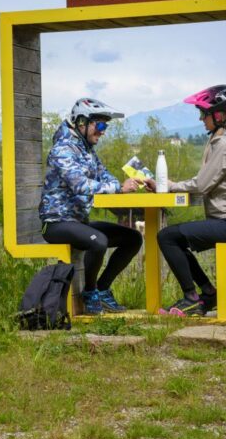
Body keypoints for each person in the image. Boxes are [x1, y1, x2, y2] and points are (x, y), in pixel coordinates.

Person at [155, 84, 226, 316]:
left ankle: (193, 298)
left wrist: (170, 186)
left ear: (219, 114)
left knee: (167, 237)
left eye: (204, 113)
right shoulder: (224, 140)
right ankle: (208, 294)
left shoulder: (225, 143)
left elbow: (201, 185)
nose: (202, 119)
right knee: (174, 238)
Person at [39, 97, 148, 315]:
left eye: (105, 126)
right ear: (81, 122)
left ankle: (103, 289)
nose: (103, 131)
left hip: (79, 222)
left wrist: (134, 181)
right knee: (99, 242)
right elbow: (80, 185)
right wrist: (117, 188)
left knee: (133, 238)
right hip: (56, 223)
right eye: (99, 125)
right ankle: (90, 293)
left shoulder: (87, 151)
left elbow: (104, 175)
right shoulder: (63, 150)